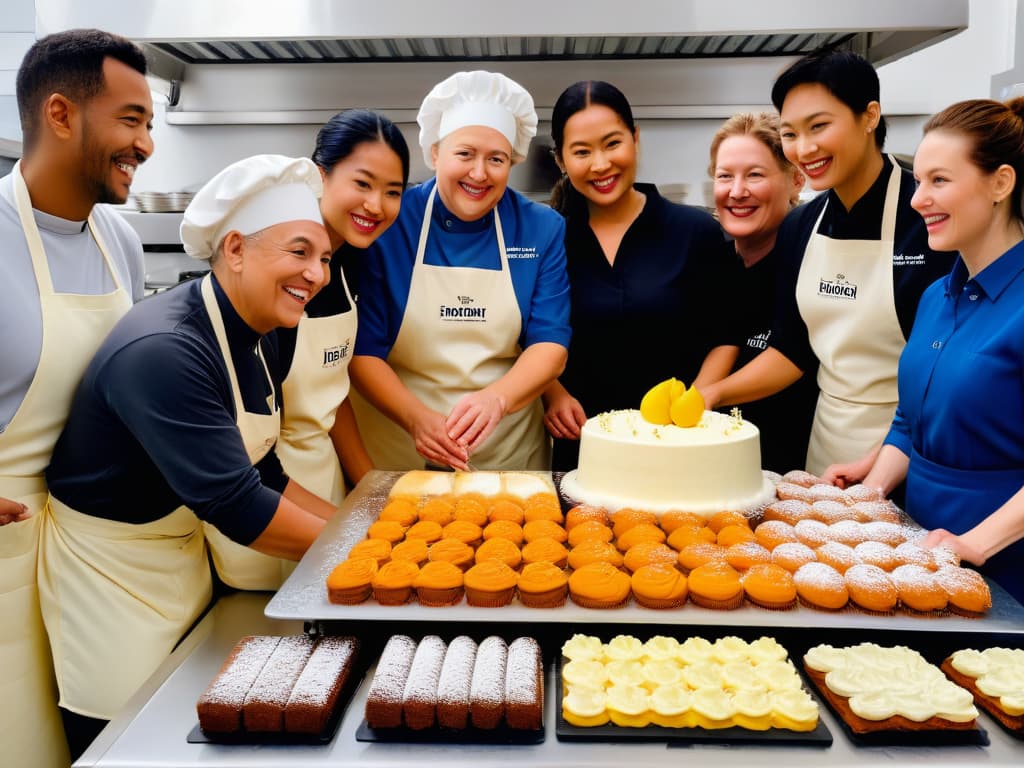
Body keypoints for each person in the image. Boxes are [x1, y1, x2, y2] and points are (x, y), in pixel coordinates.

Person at [38, 155, 336, 755]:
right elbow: (239, 503)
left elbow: (264, 469)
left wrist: (363, 528)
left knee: (189, 736)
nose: (319, 274)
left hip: (180, 557)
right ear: (234, 249)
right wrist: (375, 560)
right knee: (128, 745)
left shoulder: (268, 330)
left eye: (324, 259)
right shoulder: (166, 351)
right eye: (300, 252)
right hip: (110, 580)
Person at [0, 29, 152, 768]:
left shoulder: (117, 241)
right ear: (61, 114)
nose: (146, 144)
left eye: (148, 123)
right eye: (130, 120)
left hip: (89, 563)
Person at [699, 49, 955, 475]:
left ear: (870, 116)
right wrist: (713, 395)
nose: (804, 148)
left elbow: (946, 367)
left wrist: (882, 464)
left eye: (819, 126)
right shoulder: (801, 226)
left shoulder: (929, 216)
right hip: (826, 452)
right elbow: (791, 351)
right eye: (790, 133)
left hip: (915, 450)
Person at [826, 99, 1024, 603]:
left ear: (1001, 183)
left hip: (1004, 559)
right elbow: (910, 422)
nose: (918, 200)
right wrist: (870, 492)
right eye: (919, 181)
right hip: (922, 549)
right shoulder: (937, 296)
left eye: (939, 181)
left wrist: (975, 543)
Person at [350, 70, 571, 471]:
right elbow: (363, 352)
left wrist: (498, 399)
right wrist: (417, 419)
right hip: (401, 450)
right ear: (435, 153)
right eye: (464, 154)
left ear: (512, 162)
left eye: (496, 159)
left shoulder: (541, 228)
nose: (479, 173)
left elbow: (550, 344)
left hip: (508, 456)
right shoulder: (392, 222)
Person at [540, 80, 729, 471]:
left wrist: (695, 403)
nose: (600, 164)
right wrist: (552, 393)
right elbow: (528, 334)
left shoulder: (694, 231)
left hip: (682, 445)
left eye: (612, 143)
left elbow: (725, 335)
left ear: (636, 138)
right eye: (581, 151)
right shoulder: (549, 239)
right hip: (584, 446)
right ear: (561, 160)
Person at [274, 110, 409, 508]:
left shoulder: (352, 263)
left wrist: (370, 493)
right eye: (362, 184)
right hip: (259, 492)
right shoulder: (279, 267)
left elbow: (331, 396)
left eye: (392, 191)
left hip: (323, 481)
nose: (375, 205)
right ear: (321, 176)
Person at [698, 112, 818, 474]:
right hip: (705, 467)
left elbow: (794, 354)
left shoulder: (811, 265)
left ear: (796, 181)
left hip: (790, 473)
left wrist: (708, 395)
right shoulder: (710, 262)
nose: (736, 191)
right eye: (724, 176)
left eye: (755, 175)